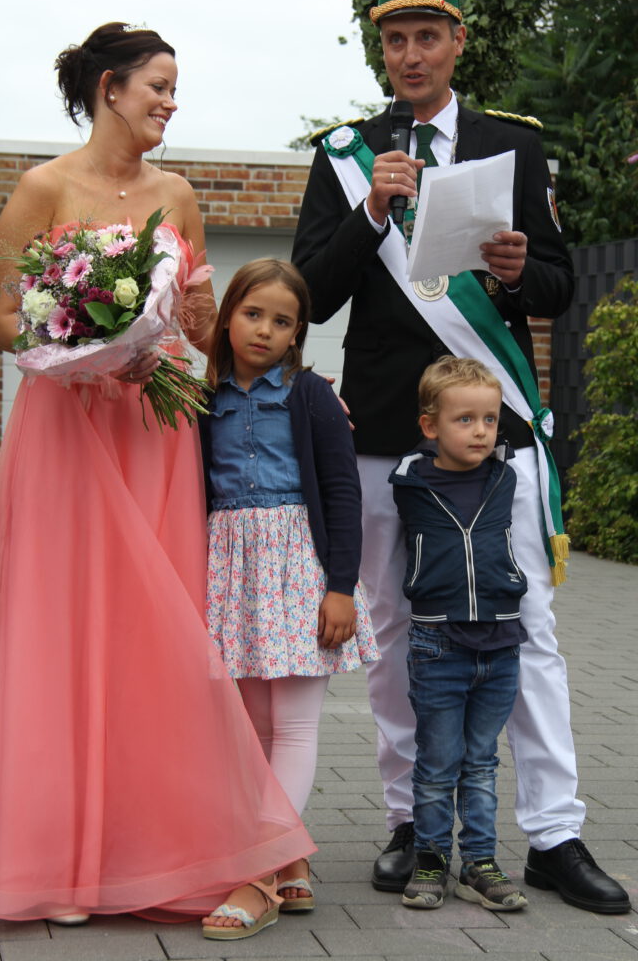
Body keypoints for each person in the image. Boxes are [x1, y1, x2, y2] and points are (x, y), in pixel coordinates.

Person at [0, 23, 313, 928]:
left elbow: (203, 328)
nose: (171, 102)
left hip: (154, 428)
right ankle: (55, 859)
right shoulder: (43, 187)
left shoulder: (178, 194)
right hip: (67, 431)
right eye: (158, 86)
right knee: (61, 630)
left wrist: (227, 349)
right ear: (110, 87)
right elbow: (2, 321)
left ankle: (153, 845)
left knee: (157, 631)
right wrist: (82, 334)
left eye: (175, 88)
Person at [292, 0, 630, 914]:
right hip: (386, 429)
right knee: (398, 630)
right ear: (383, 49)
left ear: (458, 43)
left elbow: (556, 286)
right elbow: (311, 292)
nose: (411, 54)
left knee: (529, 627)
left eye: (428, 36)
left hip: (493, 428)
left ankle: (554, 834)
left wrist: (519, 270)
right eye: (396, 39)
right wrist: (372, 209)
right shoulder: (347, 153)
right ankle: (414, 823)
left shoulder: (512, 145)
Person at [199, 258, 379, 934]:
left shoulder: (310, 396)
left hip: (299, 568)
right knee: (255, 731)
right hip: (234, 572)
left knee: (295, 726)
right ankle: (292, 859)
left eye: (283, 321)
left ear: (298, 333)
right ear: (227, 317)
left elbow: (343, 492)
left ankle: (256, 877)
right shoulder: (203, 398)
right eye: (253, 314)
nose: (265, 330)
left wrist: (340, 588)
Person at [390, 356, 528, 911]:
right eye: (464, 419)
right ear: (430, 426)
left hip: (501, 646)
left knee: (482, 762)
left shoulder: (504, 477)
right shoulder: (411, 482)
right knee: (437, 763)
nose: (480, 431)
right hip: (438, 645)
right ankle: (429, 859)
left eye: (489, 419)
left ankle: (479, 862)